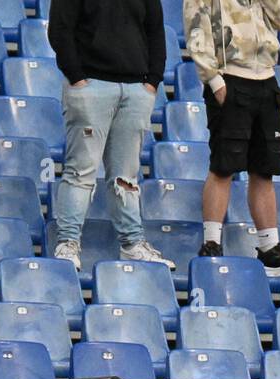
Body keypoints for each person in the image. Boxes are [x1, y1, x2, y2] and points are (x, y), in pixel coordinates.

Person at [48, 0, 174, 271]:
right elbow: (60, 30)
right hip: (91, 85)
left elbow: (155, 32)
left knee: (126, 175)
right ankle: (68, 243)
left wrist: (152, 81)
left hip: (136, 90)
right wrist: (77, 77)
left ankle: (132, 244)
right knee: (81, 171)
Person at [187, 0, 280, 272]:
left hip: (266, 78)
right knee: (223, 166)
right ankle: (212, 241)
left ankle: (270, 245)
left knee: (264, 169)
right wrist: (214, 81)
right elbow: (196, 30)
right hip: (230, 77)